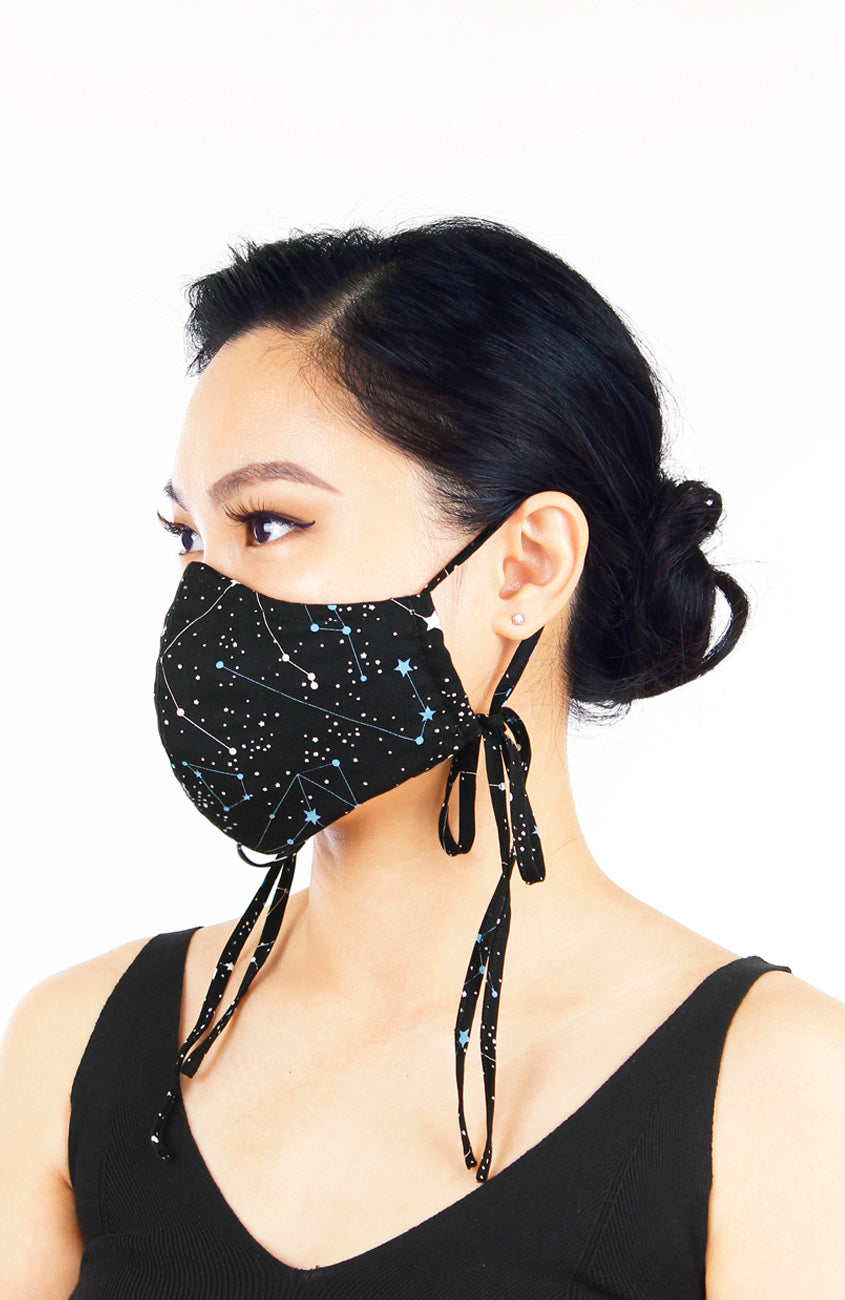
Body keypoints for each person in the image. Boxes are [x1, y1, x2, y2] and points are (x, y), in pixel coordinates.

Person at [1, 216, 843, 1299]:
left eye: (269, 523)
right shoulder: (76, 1048)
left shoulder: (777, 1091)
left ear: (524, 565)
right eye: (189, 539)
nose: (204, 609)